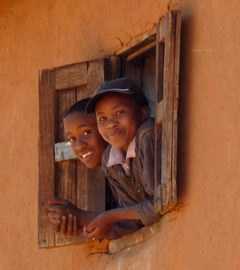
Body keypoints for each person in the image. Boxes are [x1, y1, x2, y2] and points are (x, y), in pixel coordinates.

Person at [84, 77, 160, 240]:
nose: (111, 124)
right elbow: (132, 220)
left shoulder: (148, 136)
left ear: (143, 112)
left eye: (119, 113)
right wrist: (102, 230)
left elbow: (159, 205)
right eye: (102, 119)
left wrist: (110, 217)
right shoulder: (109, 160)